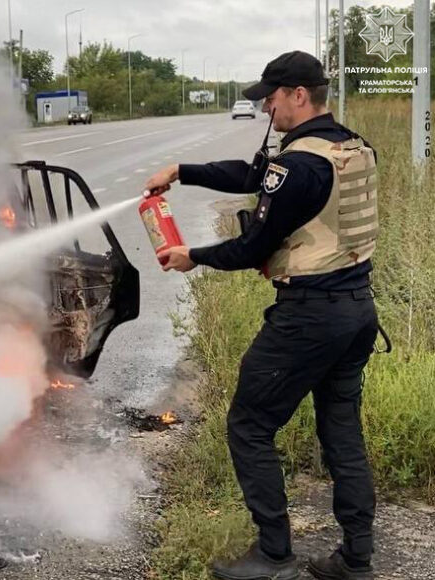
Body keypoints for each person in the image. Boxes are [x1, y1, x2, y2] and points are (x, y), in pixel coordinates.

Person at [144, 51, 381, 580]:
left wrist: (193, 257)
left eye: (270, 99)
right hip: (356, 312)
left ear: (298, 94)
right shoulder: (351, 148)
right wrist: (182, 171)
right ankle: (356, 558)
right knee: (342, 429)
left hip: (309, 318)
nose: (266, 109)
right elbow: (254, 175)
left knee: (249, 426)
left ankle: (273, 555)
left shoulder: (300, 165)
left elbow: (252, 248)